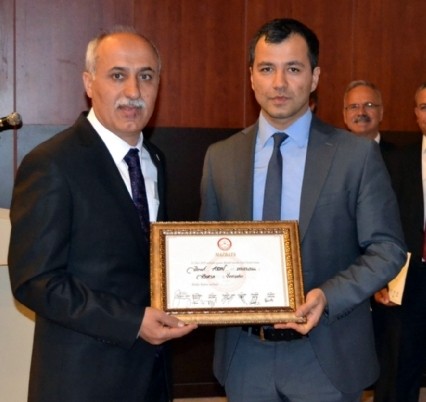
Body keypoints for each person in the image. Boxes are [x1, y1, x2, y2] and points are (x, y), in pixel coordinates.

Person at [199, 18, 406, 402]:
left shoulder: (356, 155)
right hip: (245, 359)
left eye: (293, 69)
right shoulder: (220, 158)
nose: (279, 83)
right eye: (267, 69)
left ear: (314, 78)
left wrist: (327, 296)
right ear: (251, 77)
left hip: (327, 355)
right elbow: (207, 250)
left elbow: (388, 249)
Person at [7, 27, 196, 402]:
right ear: (89, 83)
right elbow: (35, 280)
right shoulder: (52, 163)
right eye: (117, 75)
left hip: (152, 378)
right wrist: (132, 321)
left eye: (146, 76)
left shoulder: (155, 160)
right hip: (81, 382)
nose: (133, 91)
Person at [343, 80, 401, 402]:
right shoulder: (329, 156)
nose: (361, 112)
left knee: (389, 358)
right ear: (343, 114)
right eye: (353, 106)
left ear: (381, 112)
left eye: (368, 105)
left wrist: (391, 281)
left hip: (388, 278)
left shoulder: (402, 161)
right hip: (340, 274)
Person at [391, 82, 426, 402]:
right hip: (413, 272)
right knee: (408, 357)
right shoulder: (401, 160)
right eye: (424, 107)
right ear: (416, 114)